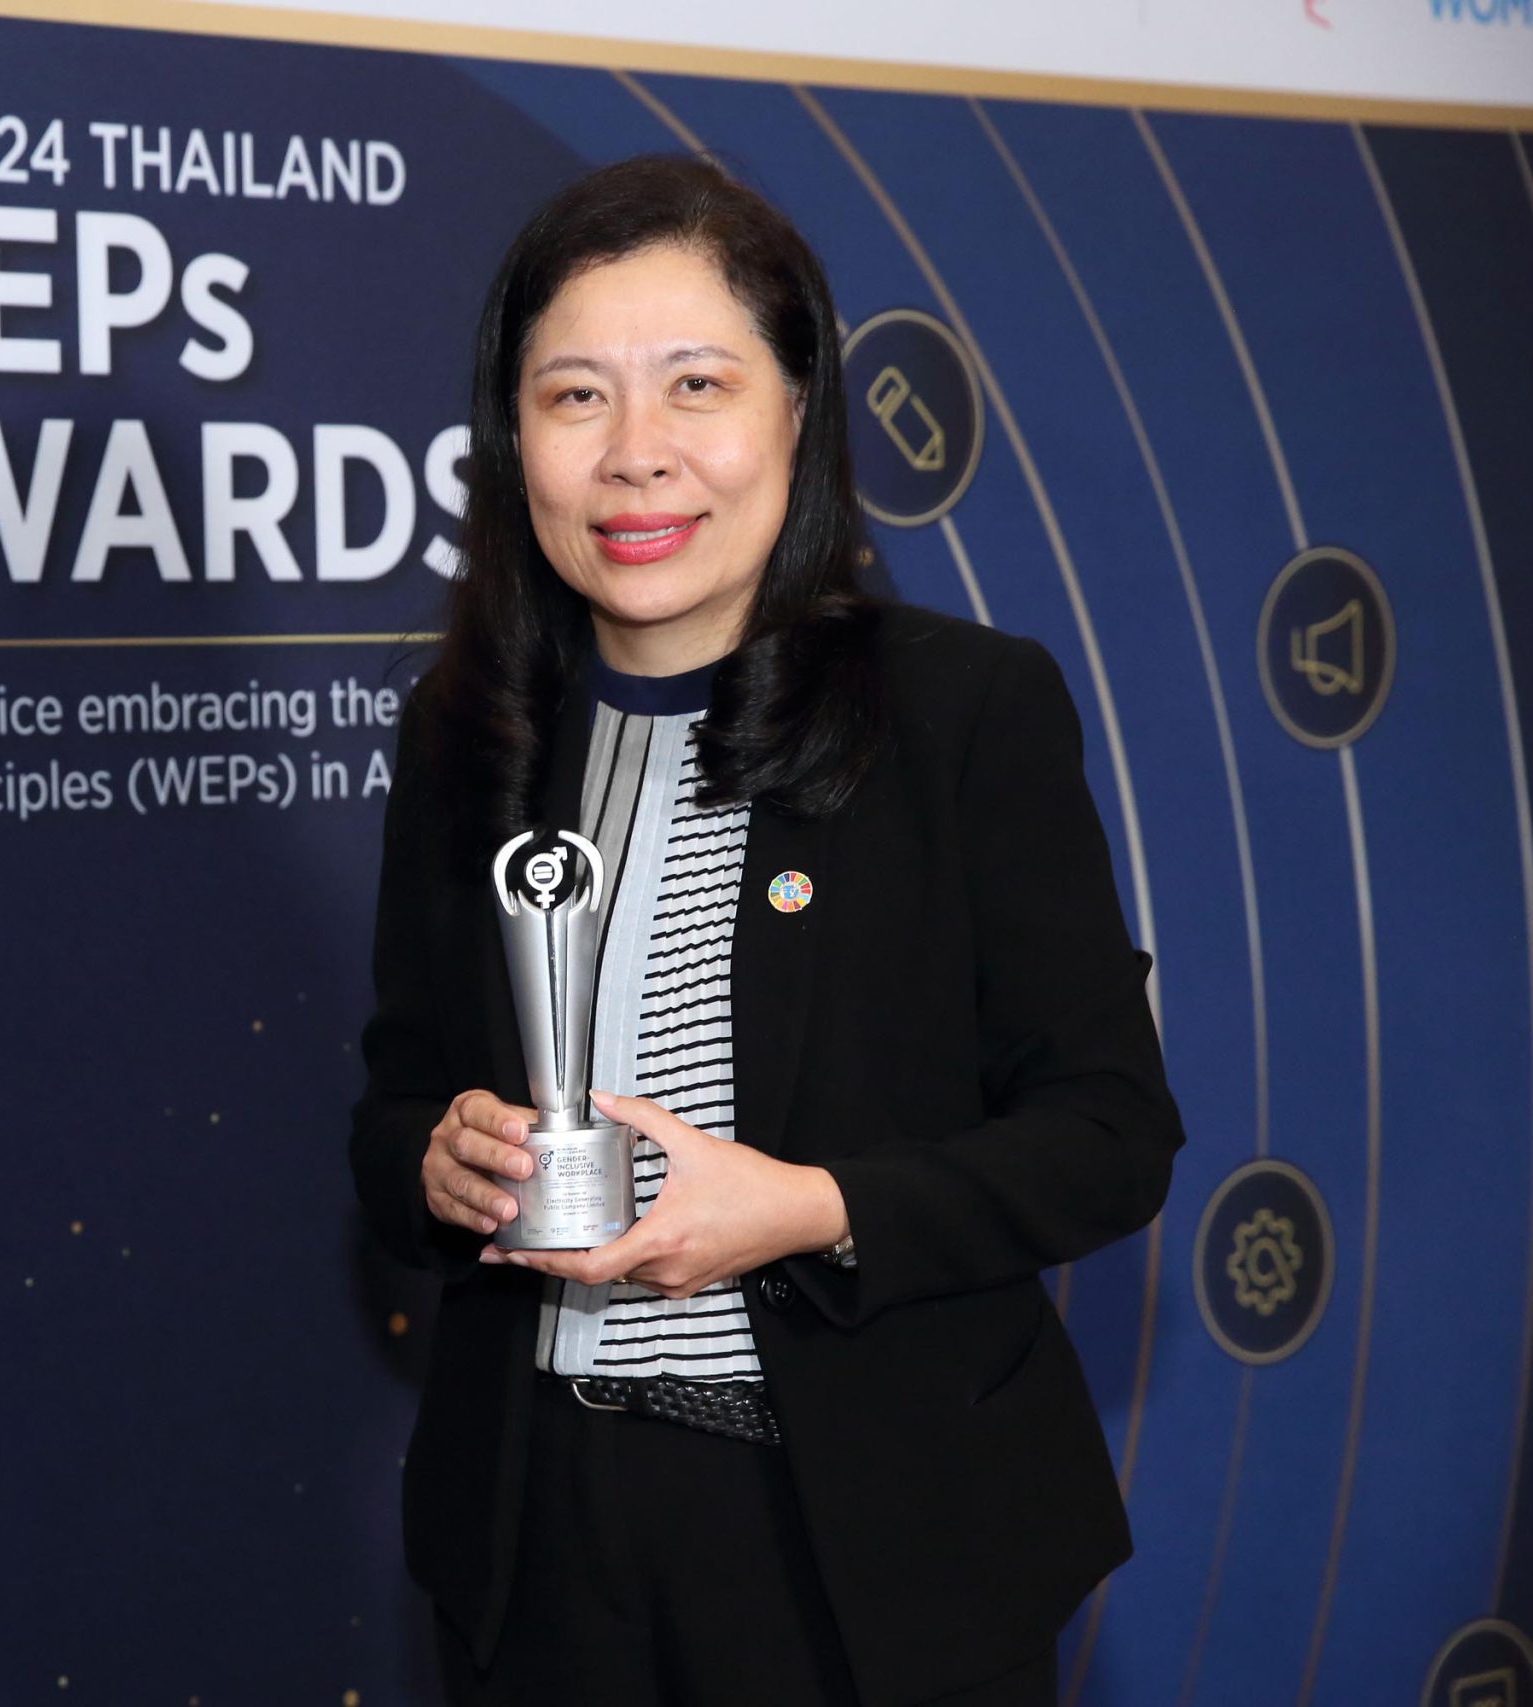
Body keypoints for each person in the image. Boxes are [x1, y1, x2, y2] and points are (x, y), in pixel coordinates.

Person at [347, 155, 1183, 1707]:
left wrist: (805, 1207)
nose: (636, 455)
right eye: (575, 396)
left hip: (869, 1543)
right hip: (542, 1545)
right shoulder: (463, 738)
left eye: (698, 386)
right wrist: (434, 1162)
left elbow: (1109, 1136)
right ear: (514, 441)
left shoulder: (961, 713)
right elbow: (394, 1106)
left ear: (799, 412)